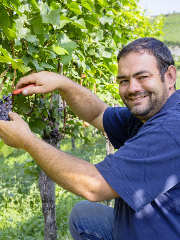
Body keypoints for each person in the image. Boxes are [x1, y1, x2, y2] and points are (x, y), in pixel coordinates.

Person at [0, 37, 180, 240]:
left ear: (170, 76)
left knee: (89, 204)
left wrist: (27, 140)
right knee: (84, 215)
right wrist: (62, 83)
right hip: (143, 226)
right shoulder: (150, 113)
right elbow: (98, 114)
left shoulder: (171, 128)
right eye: (124, 81)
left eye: (142, 76)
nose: (132, 88)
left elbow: (94, 185)